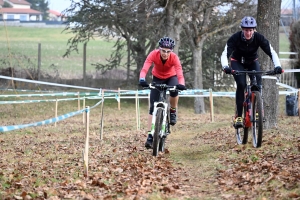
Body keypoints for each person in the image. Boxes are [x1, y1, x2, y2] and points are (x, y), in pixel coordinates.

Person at [220, 16, 283, 128]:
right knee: (241, 84)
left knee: (257, 85)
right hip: (237, 62)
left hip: (252, 62)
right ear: (242, 29)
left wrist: (278, 66)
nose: (248, 33)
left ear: (254, 30)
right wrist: (226, 67)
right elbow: (225, 54)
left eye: (250, 30)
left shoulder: (259, 38)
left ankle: (258, 110)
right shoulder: (235, 38)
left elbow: (271, 52)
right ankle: (239, 116)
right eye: (245, 30)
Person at [139, 36, 186, 149]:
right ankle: (150, 135)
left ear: (171, 51)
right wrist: (142, 79)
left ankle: (173, 110)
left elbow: (179, 71)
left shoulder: (174, 57)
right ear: (159, 49)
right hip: (157, 77)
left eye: (168, 51)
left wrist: (181, 83)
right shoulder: (153, 54)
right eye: (163, 51)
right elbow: (145, 67)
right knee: (152, 108)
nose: (165, 53)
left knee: (174, 91)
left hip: (171, 77)